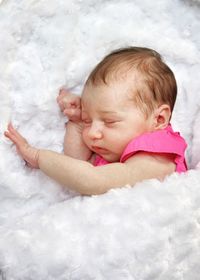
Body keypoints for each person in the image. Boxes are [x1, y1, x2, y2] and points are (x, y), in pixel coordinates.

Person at [4, 47, 187, 195]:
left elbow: (91, 180)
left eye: (109, 121)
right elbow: (76, 165)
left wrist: (38, 157)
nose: (92, 133)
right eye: (88, 120)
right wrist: (77, 123)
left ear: (159, 119)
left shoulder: (156, 156)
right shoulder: (116, 150)